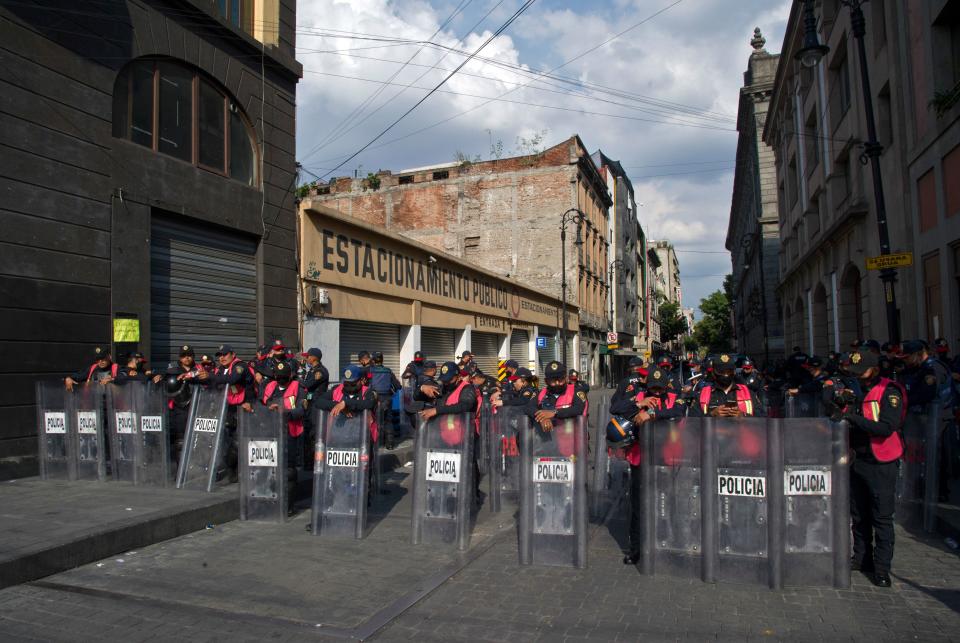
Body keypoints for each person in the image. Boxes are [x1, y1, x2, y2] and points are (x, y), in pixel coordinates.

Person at [837, 349, 906, 588]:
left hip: (881, 462)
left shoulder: (889, 391)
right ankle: (862, 558)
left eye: (862, 372)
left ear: (874, 369)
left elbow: (887, 427)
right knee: (859, 515)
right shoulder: (855, 390)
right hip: (857, 459)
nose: (858, 377)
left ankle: (882, 568)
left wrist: (852, 418)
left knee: (882, 517)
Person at [610, 368, 686, 564]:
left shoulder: (673, 397)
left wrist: (651, 413)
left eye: (660, 388)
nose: (657, 392)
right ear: (647, 386)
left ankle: (672, 545)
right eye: (653, 388)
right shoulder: (639, 396)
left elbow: (678, 412)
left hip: (667, 458)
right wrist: (639, 404)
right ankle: (637, 549)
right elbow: (616, 407)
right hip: (641, 457)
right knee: (638, 506)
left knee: (670, 503)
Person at [419, 361, 481, 503]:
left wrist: (437, 410)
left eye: (450, 379)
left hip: (465, 437)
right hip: (444, 437)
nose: (446, 383)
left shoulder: (468, 389)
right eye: (444, 379)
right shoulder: (443, 388)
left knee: (468, 469)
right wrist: (423, 387)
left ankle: (471, 498)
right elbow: (417, 396)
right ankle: (448, 498)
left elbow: (465, 405)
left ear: (458, 377)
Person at [197, 344, 253, 482]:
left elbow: (232, 379)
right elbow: (213, 382)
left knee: (237, 443)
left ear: (232, 354)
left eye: (225, 354)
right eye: (220, 355)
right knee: (219, 440)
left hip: (243, 408)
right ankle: (218, 470)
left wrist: (210, 376)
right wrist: (193, 377)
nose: (222, 358)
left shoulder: (240, 366)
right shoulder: (221, 369)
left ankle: (235, 469)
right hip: (226, 408)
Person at [261, 361, 308, 515]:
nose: (280, 379)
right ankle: (270, 501)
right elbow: (260, 402)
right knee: (269, 468)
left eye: (284, 376)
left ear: (290, 375)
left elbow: (302, 409)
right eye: (278, 376)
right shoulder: (269, 387)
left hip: (290, 432)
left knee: (288, 471)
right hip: (270, 432)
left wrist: (285, 412)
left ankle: (287, 505)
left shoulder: (299, 388)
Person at [163, 345, 202, 464]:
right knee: (180, 440)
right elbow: (166, 378)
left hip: (197, 407)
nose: (187, 358)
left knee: (200, 439)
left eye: (189, 355)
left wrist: (191, 375)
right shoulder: (173, 369)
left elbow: (205, 376)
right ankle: (180, 469)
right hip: (180, 408)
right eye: (184, 356)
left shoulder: (199, 368)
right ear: (180, 358)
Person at [690, 353, 759, 417]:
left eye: (729, 371)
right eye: (721, 372)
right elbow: (692, 421)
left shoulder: (747, 393)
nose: (726, 375)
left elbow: (762, 418)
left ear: (734, 372)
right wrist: (711, 414)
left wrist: (743, 415)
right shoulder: (702, 394)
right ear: (714, 373)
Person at [369, 352, 402, 449]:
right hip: (387, 399)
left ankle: (376, 443)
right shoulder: (388, 371)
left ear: (373, 360)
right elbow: (398, 386)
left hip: (374, 399)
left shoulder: (370, 371)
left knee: (374, 421)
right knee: (388, 421)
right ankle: (390, 444)